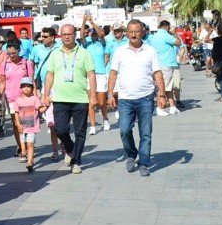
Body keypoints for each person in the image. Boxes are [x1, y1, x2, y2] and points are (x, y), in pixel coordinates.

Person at [108, 19, 167, 177]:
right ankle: (131, 153)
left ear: (143, 33)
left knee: (146, 133)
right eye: (131, 31)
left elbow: (158, 73)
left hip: (146, 98)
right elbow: (113, 73)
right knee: (124, 130)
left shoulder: (150, 51)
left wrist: (162, 94)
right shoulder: (120, 51)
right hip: (125, 99)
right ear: (127, 33)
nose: (134, 34)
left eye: (137, 31)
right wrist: (110, 94)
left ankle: (144, 162)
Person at [41, 23, 96, 174]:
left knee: (80, 132)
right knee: (60, 129)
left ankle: (76, 161)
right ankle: (70, 149)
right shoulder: (55, 53)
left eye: (69, 34)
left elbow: (91, 75)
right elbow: (49, 75)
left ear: (75, 35)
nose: (66, 36)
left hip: (80, 99)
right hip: (60, 98)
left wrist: (93, 96)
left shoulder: (84, 53)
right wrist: (46, 95)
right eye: (64, 34)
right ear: (60, 36)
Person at [30, 27, 61, 160]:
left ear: (53, 37)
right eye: (42, 36)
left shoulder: (60, 47)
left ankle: (66, 148)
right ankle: (55, 151)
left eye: (45, 36)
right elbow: (33, 69)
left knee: (62, 123)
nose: (43, 39)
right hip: (45, 89)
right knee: (51, 123)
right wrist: (35, 89)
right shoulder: (37, 49)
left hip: (60, 88)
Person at [1, 40, 34, 160]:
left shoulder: (27, 63)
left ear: (19, 51)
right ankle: (21, 147)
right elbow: (2, 82)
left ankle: (27, 148)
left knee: (27, 125)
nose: (11, 56)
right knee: (17, 125)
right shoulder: (5, 64)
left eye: (13, 53)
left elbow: (31, 81)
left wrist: (34, 97)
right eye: (9, 53)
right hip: (11, 99)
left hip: (25, 98)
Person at [78, 16, 109, 134]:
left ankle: (105, 119)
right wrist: (83, 22)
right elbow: (81, 36)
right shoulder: (87, 44)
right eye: (92, 32)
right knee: (91, 102)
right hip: (89, 75)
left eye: (95, 32)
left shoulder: (102, 43)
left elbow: (101, 34)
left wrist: (92, 22)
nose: (93, 34)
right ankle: (93, 126)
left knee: (101, 102)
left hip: (100, 74)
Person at [148, 20, 182, 114]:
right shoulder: (165, 35)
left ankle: (172, 106)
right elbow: (178, 42)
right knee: (162, 87)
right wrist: (174, 34)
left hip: (160, 63)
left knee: (168, 86)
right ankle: (160, 108)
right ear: (167, 27)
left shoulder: (155, 35)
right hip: (166, 63)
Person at [13, 78, 45, 173]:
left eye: (28, 86)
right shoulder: (18, 100)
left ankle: (30, 163)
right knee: (24, 144)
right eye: (24, 86)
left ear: (32, 88)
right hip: (22, 127)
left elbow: (40, 110)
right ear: (21, 88)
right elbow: (16, 113)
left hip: (32, 127)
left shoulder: (35, 99)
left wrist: (46, 106)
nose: (26, 88)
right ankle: (26, 155)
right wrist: (18, 124)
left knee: (30, 144)